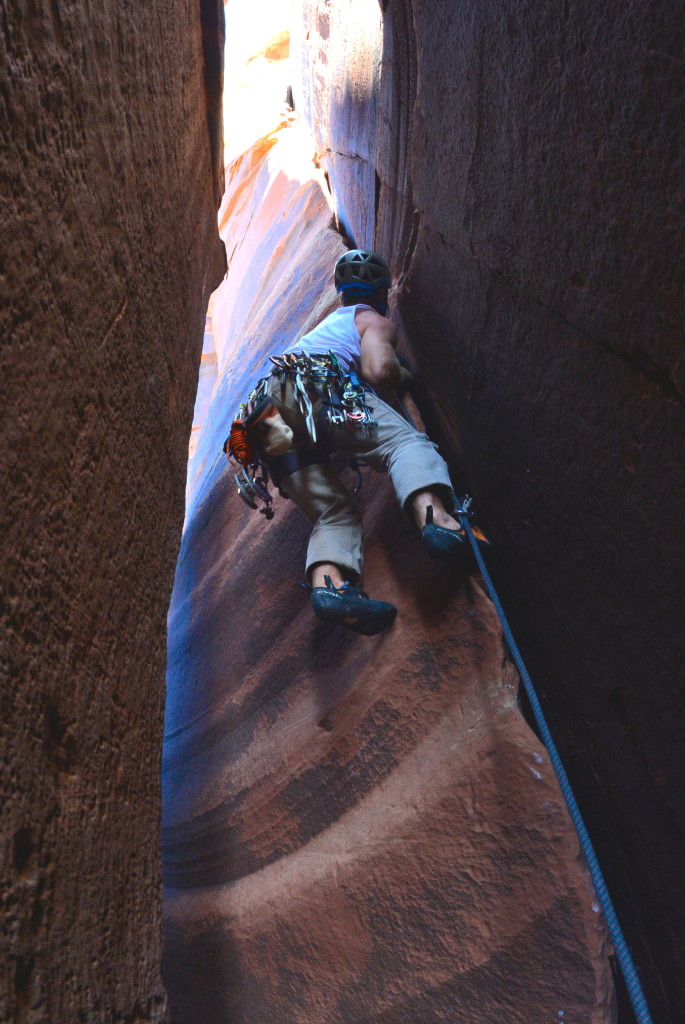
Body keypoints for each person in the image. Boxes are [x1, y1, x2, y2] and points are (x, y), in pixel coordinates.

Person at [242, 249, 475, 635]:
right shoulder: (372, 320)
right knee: (402, 444)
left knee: (332, 512)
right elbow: (378, 369)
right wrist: (401, 371)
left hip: (264, 416)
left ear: (342, 291)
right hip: (312, 387)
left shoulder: (325, 328)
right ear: (381, 292)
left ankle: (331, 588)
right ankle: (442, 524)